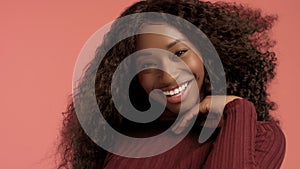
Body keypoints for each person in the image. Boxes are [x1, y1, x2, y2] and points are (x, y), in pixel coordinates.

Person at [57, 0, 286, 168]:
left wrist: (236, 110)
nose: (167, 76)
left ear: (208, 51)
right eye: (148, 63)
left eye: (180, 52)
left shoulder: (262, 137)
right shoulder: (122, 140)